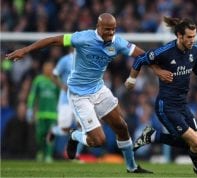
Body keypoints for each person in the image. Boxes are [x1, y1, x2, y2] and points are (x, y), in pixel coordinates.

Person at [6, 13, 157, 173]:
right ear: (98, 27)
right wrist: (25, 50)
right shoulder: (83, 38)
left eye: (113, 29)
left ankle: (132, 167)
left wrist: (156, 68)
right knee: (98, 141)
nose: (110, 33)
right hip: (79, 95)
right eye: (107, 29)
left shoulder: (117, 42)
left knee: (122, 127)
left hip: (99, 89)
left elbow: (140, 54)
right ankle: (75, 136)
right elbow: (52, 40)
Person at [125, 16, 197, 176]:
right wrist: (132, 79)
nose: (192, 40)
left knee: (196, 145)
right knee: (195, 142)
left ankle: (154, 137)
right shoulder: (165, 51)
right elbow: (141, 58)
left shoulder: (195, 51)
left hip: (182, 105)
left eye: (194, 36)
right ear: (179, 36)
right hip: (166, 106)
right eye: (189, 37)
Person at [46, 50, 84, 159]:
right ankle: (54, 130)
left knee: (83, 126)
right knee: (64, 130)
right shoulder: (65, 60)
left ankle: (76, 154)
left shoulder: (84, 59)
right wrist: (62, 86)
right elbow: (54, 75)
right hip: (65, 99)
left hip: (79, 98)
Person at [27, 61, 60, 163]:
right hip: (41, 113)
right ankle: (40, 151)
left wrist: (61, 110)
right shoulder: (38, 81)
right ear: (43, 69)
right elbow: (33, 95)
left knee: (50, 135)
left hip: (53, 114)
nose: (48, 70)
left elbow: (60, 96)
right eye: (47, 68)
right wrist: (30, 108)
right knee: (39, 135)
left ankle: (48, 155)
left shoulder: (56, 81)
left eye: (50, 68)